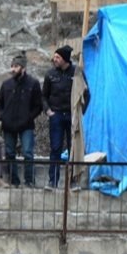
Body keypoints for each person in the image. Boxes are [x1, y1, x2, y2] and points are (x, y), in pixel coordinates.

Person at [0, 55, 43, 187]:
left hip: (26, 125)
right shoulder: (6, 84)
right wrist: (2, 116)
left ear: (23, 68)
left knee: (28, 153)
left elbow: (38, 105)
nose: (13, 69)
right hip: (8, 125)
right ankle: (14, 181)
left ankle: (29, 181)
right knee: (10, 153)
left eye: (16, 66)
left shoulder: (33, 83)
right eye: (12, 66)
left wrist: (29, 117)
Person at [42, 45, 81, 188]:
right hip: (56, 114)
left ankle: (73, 180)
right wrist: (48, 111)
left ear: (65, 59)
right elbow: (43, 96)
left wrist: (81, 112)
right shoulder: (50, 74)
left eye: (58, 57)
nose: (54, 59)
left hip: (72, 114)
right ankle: (53, 180)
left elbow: (85, 93)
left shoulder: (77, 72)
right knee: (55, 148)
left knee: (73, 148)